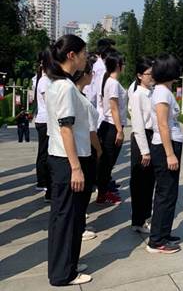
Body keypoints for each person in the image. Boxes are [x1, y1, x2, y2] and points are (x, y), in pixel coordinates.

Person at [44, 35, 92, 285]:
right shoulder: (63, 86)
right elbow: (65, 128)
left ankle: (68, 264)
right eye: (84, 53)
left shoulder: (60, 83)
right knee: (65, 217)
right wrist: (76, 168)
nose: (86, 58)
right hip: (67, 160)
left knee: (67, 216)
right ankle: (63, 273)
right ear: (71, 55)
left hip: (64, 157)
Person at [148, 54, 183, 254]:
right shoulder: (162, 92)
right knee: (165, 193)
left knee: (170, 193)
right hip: (164, 148)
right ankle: (157, 240)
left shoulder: (164, 91)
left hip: (169, 145)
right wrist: (170, 154)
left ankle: (164, 232)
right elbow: (162, 125)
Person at [73, 56, 102, 241]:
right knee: (82, 194)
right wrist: (99, 149)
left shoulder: (77, 95)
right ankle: (79, 228)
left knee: (82, 195)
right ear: (84, 75)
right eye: (91, 73)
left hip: (82, 148)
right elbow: (91, 131)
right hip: (85, 150)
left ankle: (79, 225)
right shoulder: (80, 99)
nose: (92, 75)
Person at [128, 57, 155, 233]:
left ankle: (146, 216)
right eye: (149, 74)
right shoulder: (137, 95)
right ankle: (139, 220)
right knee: (140, 182)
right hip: (142, 139)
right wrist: (145, 151)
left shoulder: (151, 92)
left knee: (149, 181)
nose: (152, 77)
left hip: (151, 136)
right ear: (139, 75)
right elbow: (137, 125)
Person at [96, 53, 126, 205]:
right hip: (112, 126)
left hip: (110, 125)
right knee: (107, 163)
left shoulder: (109, 81)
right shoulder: (113, 83)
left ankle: (103, 192)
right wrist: (119, 130)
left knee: (106, 164)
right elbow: (114, 107)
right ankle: (103, 194)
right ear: (118, 66)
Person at [34, 51, 51, 196]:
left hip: (44, 119)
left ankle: (43, 181)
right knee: (44, 153)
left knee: (44, 152)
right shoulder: (44, 81)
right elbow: (48, 102)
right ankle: (42, 181)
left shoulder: (44, 79)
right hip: (45, 120)